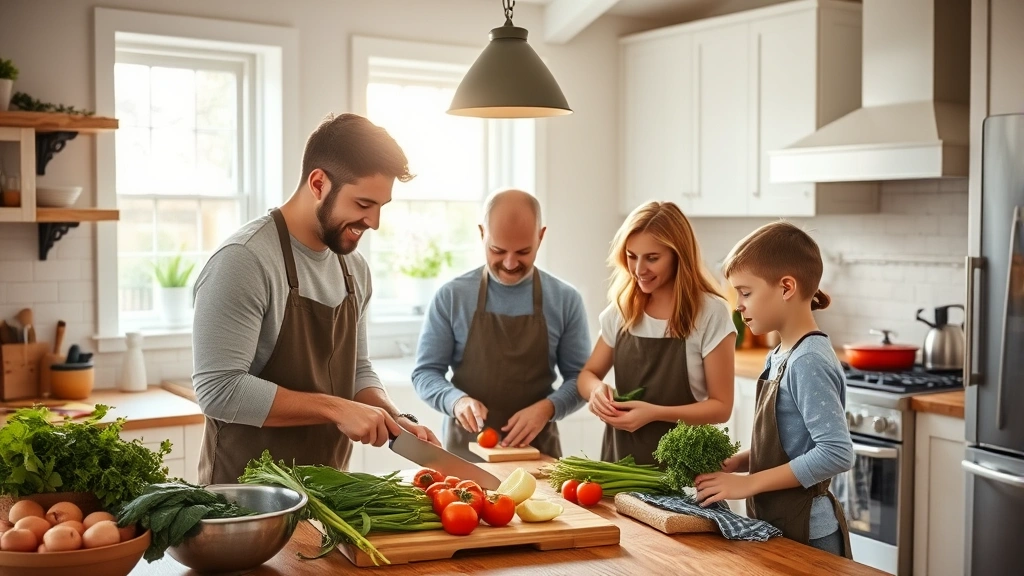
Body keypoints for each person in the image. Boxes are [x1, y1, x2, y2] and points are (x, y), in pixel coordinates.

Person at [192, 113, 438, 484]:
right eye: (362, 204)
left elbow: (357, 369)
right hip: (245, 500)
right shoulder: (244, 261)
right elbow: (218, 390)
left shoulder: (355, 269)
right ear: (319, 183)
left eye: (380, 207)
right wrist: (336, 409)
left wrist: (393, 417)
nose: (373, 222)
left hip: (328, 491)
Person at [694, 221, 855, 558]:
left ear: (786, 288)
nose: (737, 304)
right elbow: (792, 444)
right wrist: (740, 463)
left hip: (809, 534)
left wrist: (748, 483)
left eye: (745, 292)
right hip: (778, 522)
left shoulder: (807, 360)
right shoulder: (782, 353)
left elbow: (836, 452)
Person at [412, 189, 591, 461]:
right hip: (465, 454)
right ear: (482, 233)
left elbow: (581, 379)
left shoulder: (565, 300)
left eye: (523, 252)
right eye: (497, 250)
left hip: (538, 453)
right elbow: (425, 373)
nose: (509, 263)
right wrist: (456, 401)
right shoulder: (452, 296)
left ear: (540, 237)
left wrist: (548, 408)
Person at [577, 201, 736, 466]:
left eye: (652, 258)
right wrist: (596, 391)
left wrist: (655, 414)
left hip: (685, 469)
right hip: (620, 465)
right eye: (631, 256)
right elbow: (587, 375)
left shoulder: (710, 312)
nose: (639, 269)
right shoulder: (623, 308)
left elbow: (721, 407)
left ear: (678, 255)